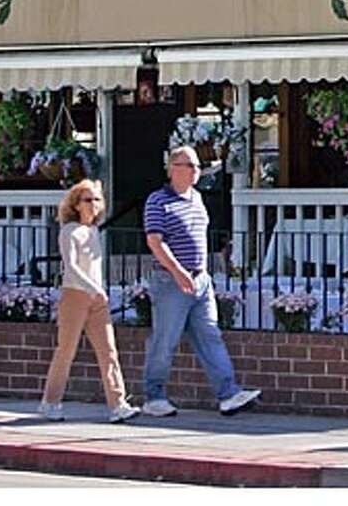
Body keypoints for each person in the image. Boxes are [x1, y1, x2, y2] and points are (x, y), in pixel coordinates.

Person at [142, 144, 260, 417]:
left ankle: (228, 393)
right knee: (165, 340)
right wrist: (177, 271)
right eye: (190, 165)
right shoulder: (157, 201)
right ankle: (154, 396)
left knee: (210, 335)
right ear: (173, 169)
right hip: (170, 281)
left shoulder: (196, 198)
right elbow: (155, 241)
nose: (196, 170)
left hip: (200, 279)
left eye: (197, 166)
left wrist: (202, 273)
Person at [39, 179, 140, 423]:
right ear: (76, 204)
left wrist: (97, 290)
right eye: (87, 200)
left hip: (97, 297)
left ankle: (118, 404)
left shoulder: (93, 230)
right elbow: (71, 266)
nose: (93, 204)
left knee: (108, 351)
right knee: (66, 350)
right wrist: (94, 288)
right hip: (75, 295)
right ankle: (50, 402)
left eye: (96, 199)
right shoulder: (69, 231)